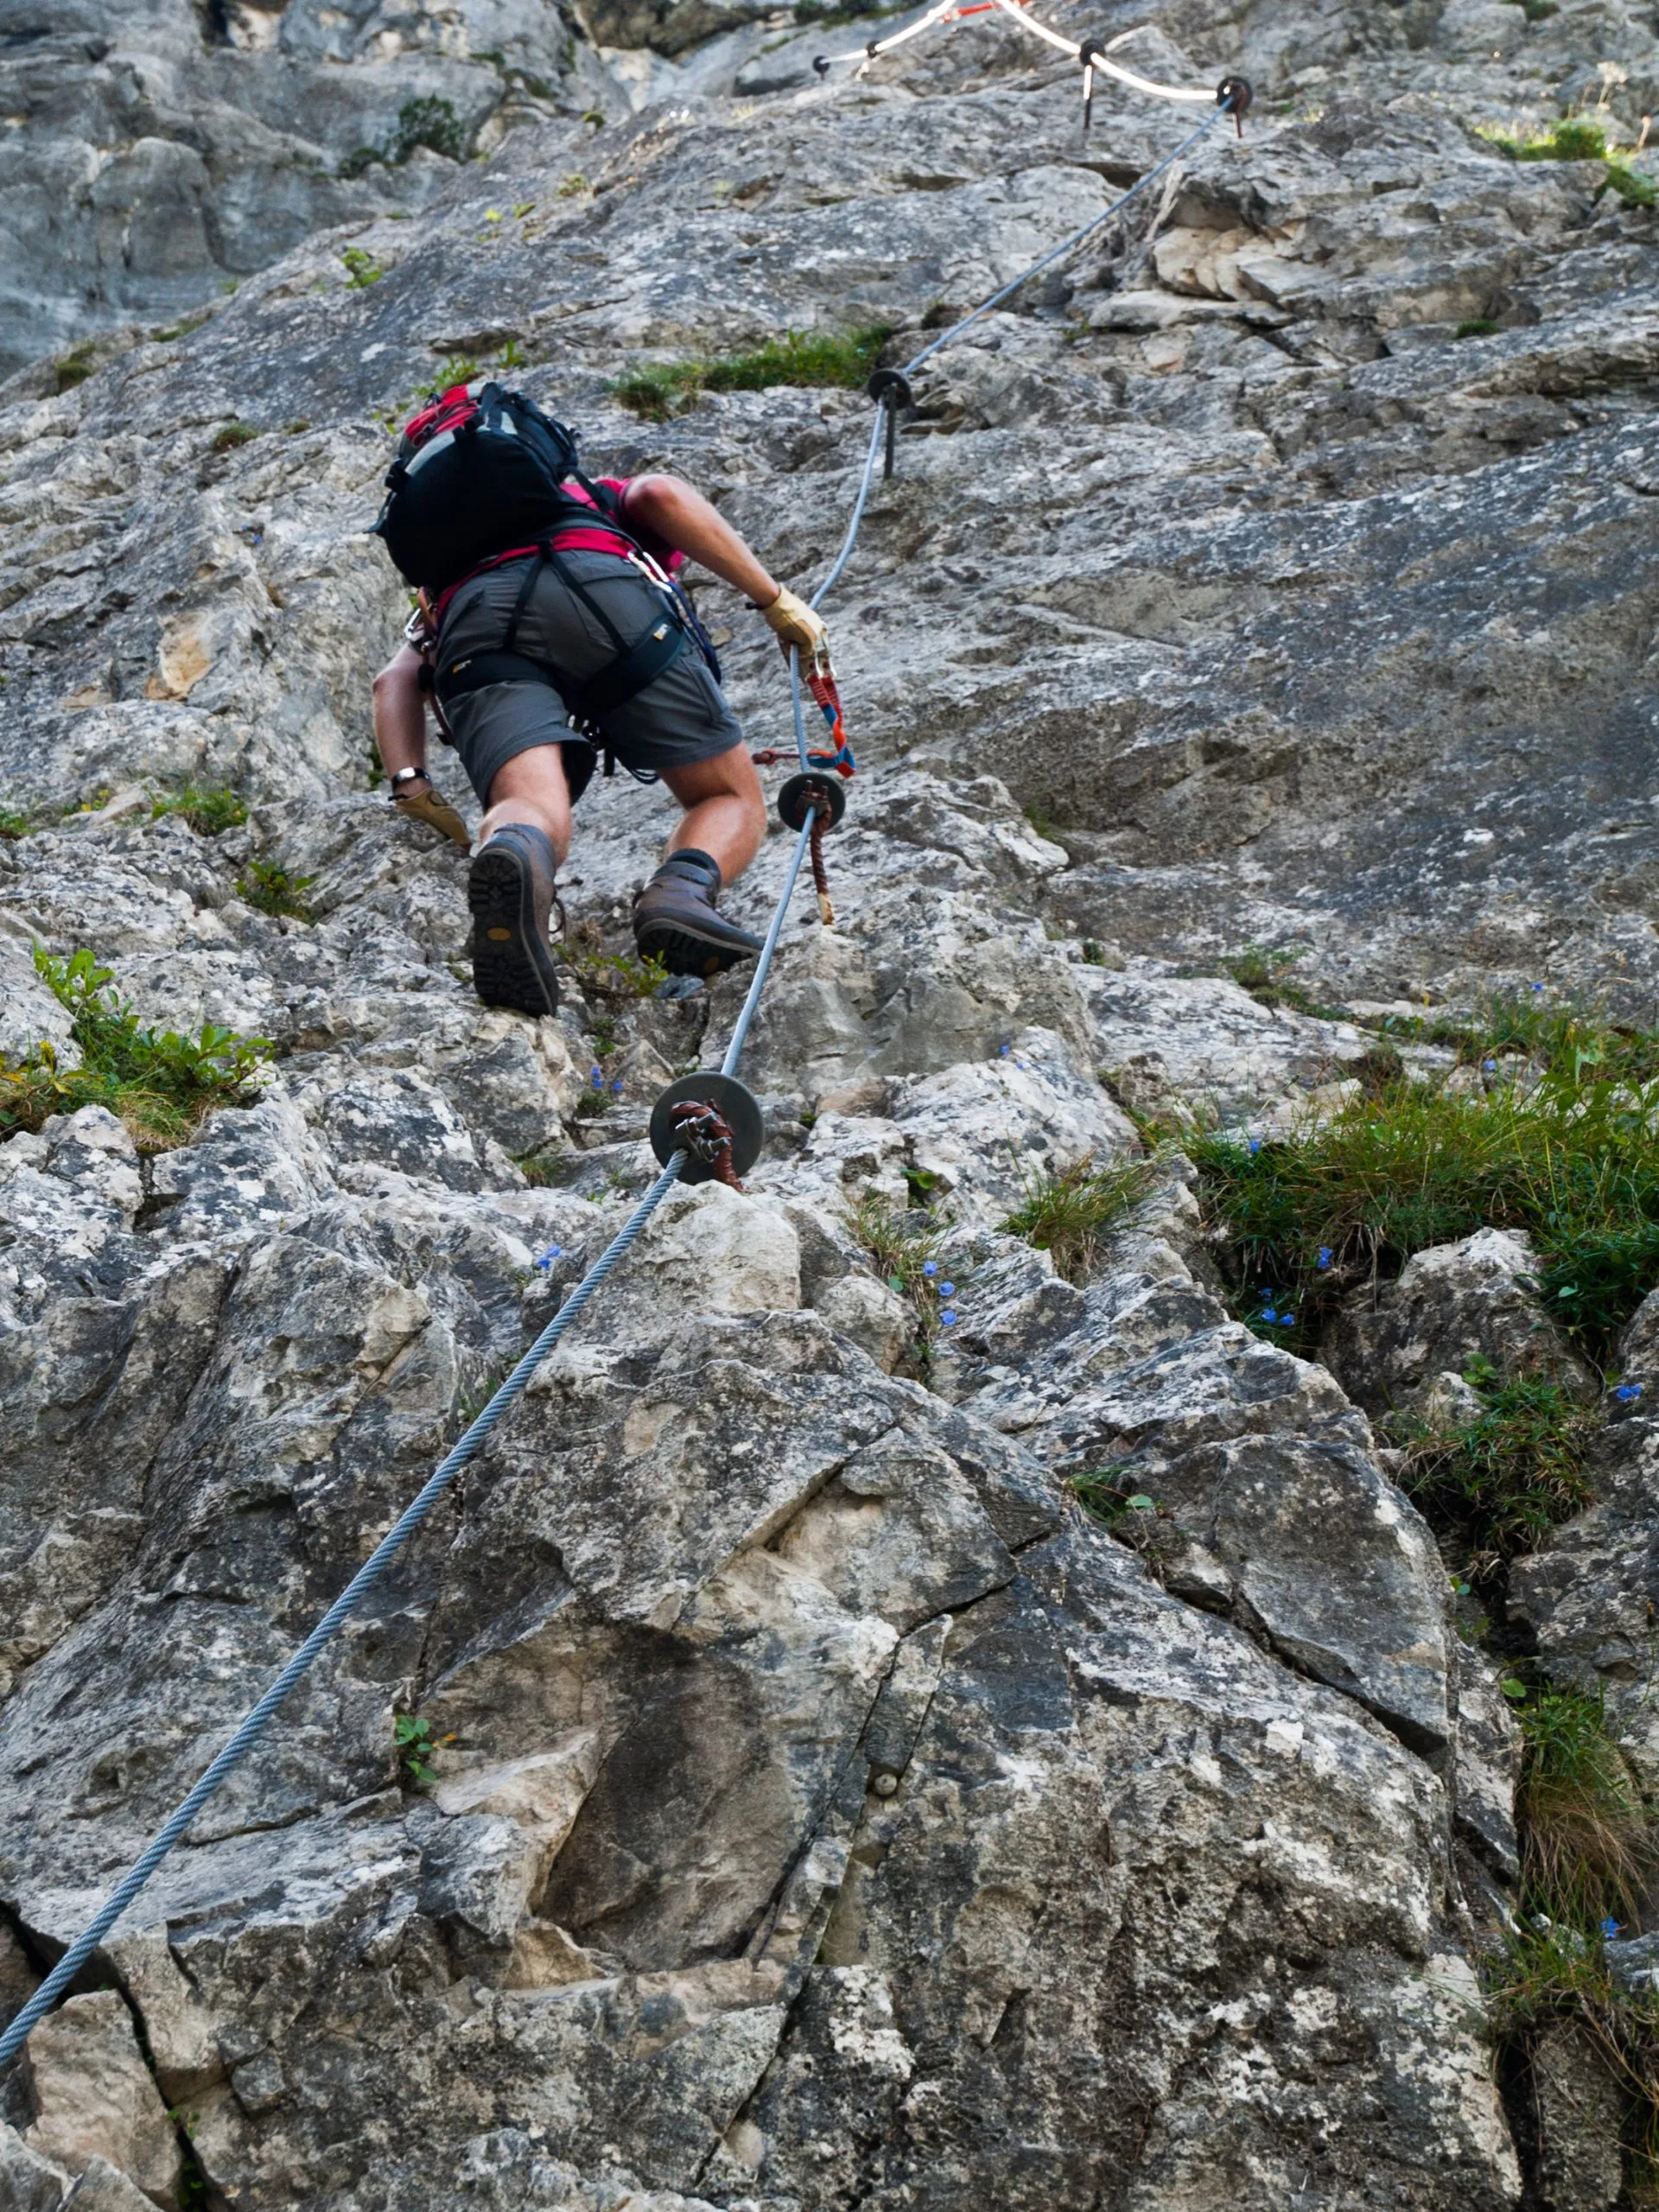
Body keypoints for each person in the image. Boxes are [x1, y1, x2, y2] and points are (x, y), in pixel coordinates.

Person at [371, 467, 828, 1017]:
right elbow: (658, 494)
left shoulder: (446, 575)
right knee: (725, 796)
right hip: (605, 595)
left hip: (480, 623)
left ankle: (515, 850)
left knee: (531, 809)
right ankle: (680, 894)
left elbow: (393, 681)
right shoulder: (583, 498)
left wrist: (413, 788)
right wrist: (775, 600)